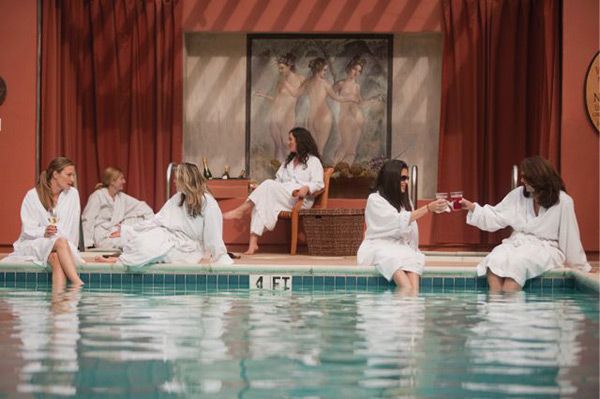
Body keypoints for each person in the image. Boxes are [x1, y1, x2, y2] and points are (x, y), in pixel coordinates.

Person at [460, 156, 591, 292]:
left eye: (526, 177)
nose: (522, 180)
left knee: (517, 264)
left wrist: (578, 266)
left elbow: (569, 235)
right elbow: (496, 215)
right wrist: (472, 207)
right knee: (495, 260)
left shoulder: (563, 201)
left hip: (545, 248)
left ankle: (514, 308)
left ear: (538, 178)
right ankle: (495, 307)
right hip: (516, 244)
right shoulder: (518, 195)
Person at [97, 163, 233, 267]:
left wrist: (214, 256)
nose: (174, 182)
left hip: (191, 249)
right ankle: (119, 259)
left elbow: (213, 235)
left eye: (176, 179)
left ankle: (118, 260)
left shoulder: (207, 202)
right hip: (173, 238)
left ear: (185, 180)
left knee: (155, 249)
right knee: (145, 239)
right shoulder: (178, 198)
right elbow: (157, 220)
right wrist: (128, 229)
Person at [223, 127, 324, 255]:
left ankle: (240, 211)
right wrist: (259, 188)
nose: (288, 142)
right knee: (263, 198)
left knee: (267, 188)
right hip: (285, 197)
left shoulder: (313, 161)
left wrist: (307, 188)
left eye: (290, 139)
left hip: (300, 199)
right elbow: (277, 181)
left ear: (300, 141)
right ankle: (253, 244)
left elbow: (319, 184)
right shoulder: (289, 162)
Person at [357, 160, 448, 291]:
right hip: (378, 245)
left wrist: (413, 248)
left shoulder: (405, 201)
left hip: (399, 246)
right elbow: (396, 221)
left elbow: (411, 228)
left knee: (413, 263)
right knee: (404, 283)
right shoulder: (375, 200)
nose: (406, 182)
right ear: (391, 178)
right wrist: (428, 208)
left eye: (407, 178)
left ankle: (412, 306)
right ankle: (398, 307)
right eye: (403, 178)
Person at [1, 157, 84, 286]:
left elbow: (72, 229)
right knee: (60, 242)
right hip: (34, 243)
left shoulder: (72, 195)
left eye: (73, 175)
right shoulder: (33, 195)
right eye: (68, 175)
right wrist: (43, 232)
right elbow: (28, 229)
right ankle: (77, 283)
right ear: (55, 174)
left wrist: (69, 248)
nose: (72, 180)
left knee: (56, 258)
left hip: (63, 247)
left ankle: (59, 303)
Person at [82, 166, 153, 249]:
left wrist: (152, 224)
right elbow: (88, 219)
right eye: (121, 179)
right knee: (137, 241)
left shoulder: (121, 197)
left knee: (140, 218)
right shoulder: (97, 196)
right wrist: (87, 245)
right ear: (112, 181)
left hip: (116, 231)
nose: (124, 181)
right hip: (103, 236)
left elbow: (143, 207)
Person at [255, 53, 305, 162]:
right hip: (275, 115)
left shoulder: (300, 79)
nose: (280, 71)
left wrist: (286, 83)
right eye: (279, 68)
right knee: (278, 145)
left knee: (287, 145)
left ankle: (289, 171)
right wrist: (263, 95)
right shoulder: (281, 81)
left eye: (282, 68)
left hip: (288, 116)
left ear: (290, 66)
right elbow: (276, 99)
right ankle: (277, 172)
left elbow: (296, 94)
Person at [302, 57, 357, 154]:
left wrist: (350, 98)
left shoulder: (318, 83)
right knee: (314, 148)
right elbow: (295, 94)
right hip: (314, 117)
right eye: (324, 70)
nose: (325, 73)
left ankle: (318, 167)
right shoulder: (312, 83)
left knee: (319, 149)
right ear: (318, 69)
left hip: (322, 117)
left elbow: (337, 98)